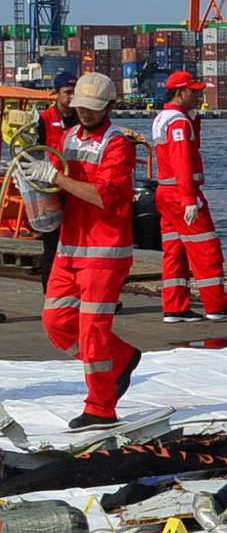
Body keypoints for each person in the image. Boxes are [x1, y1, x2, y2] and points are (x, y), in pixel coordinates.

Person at [34, 72, 139, 429]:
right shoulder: (67, 137)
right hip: (70, 247)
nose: (86, 114)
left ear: (110, 106)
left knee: (93, 332)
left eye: (93, 109)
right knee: (57, 322)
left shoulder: (117, 144)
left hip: (104, 251)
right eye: (81, 107)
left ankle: (101, 408)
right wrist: (36, 182)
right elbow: (60, 187)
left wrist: (55, 178)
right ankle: (121, 358)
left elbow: (103, 196)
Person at [151, 69, 227, 323]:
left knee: (174, 250)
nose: (199, 95)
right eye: (194, 91)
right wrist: (189, 199)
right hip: (181, 193)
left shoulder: (163, 118)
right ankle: (216, 305)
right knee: (206, 248)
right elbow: (182, 162)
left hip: (165, 193)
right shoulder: (177, 122)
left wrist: (194, 121)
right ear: (180, 92)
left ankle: (174, 307)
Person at [32, 71, 75, 290]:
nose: (72, 97)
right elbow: (32, 153)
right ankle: (50, 290)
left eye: (75, 92)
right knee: (52, 242)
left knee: (80, 243)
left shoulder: (82, 117)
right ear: (56, 94)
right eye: (67, 92)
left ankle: (84, 293)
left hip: (76, 189)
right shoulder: (43, 120)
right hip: (51, 188)